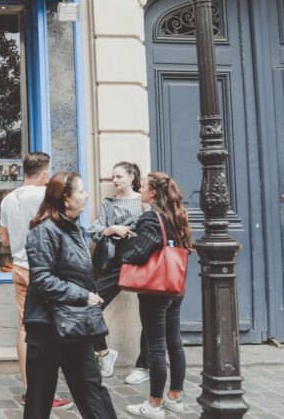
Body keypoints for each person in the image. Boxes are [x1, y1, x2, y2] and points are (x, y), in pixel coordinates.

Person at [23, 172, 117, 419]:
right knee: (39, 400)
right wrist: (83, 296)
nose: (86, 195)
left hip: (75, 325)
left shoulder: (75, 229)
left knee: (92, 390)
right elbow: (42, 280)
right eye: (81, 191)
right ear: (66, 199)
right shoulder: (44, 231)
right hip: (45, 327)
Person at [0, 152, 73, 411]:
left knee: (23, 328)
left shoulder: (8, 199)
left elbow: (4, 241)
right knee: (48, 331)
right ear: (44, 173)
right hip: (43, 270)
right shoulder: (45, 196)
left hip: (18, 266)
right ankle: (46, 393)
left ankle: (30, 390)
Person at [123, 172, 192, 418]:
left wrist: (128, 245)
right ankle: (175, 397)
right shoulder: (177, 214)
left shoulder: (151, 217)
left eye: (142, 187)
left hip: (155, 291)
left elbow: (139, 254)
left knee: (155, 347)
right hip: (175, 287)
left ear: (153, 192)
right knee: (174, 343)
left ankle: (153, 404)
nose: (139, 189)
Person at [87, 161, 149, 382]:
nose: (114, 180)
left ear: (132, 177)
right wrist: (112, 229)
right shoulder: (109, 203)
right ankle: (103, 352)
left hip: (142, 260)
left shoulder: (145, 201)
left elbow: (153, 229)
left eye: (118, 176)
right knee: (90, 304)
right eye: (112, 177)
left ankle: (145, 365)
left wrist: (136, 228)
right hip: (114, 263)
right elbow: (93, 231)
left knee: (150, 314)